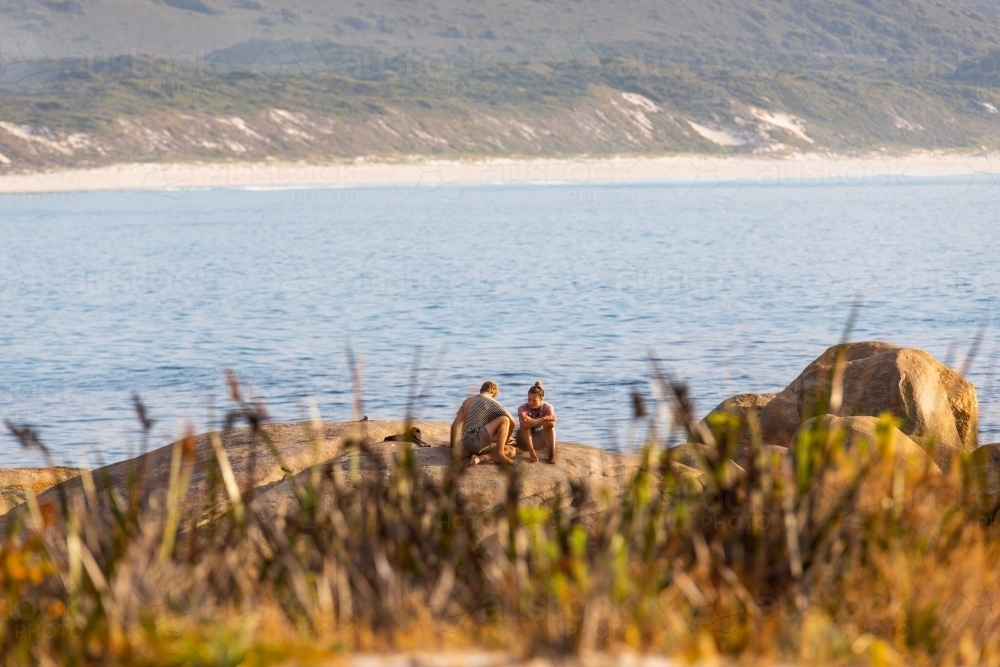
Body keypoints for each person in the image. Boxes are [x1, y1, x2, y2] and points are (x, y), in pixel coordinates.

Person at [450, 380, 517, 466]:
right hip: (477, 441)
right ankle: (499, 455)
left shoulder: (468, 400)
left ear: (481, 390)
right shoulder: (492, 402)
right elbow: (513, 423)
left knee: (511, 450)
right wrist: (504, 442)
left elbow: (454, 426)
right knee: (505, 419)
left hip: (465, 446)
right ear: (494, 393)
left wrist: (452, 445)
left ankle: (479, 458)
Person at [516, 381, 557, 463]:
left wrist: (531, 421)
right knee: (526, 427)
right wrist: (544, 418)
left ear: (541, 399)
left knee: (551, 428)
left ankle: (552, 454)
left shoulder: (547, 407)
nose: (531, 402)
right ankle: (532, 453)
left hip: (540, 441)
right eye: (529, 399)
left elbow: (551, 423)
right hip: (524, 442)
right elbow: (524, 424)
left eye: (534, 400)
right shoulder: (522, 408)